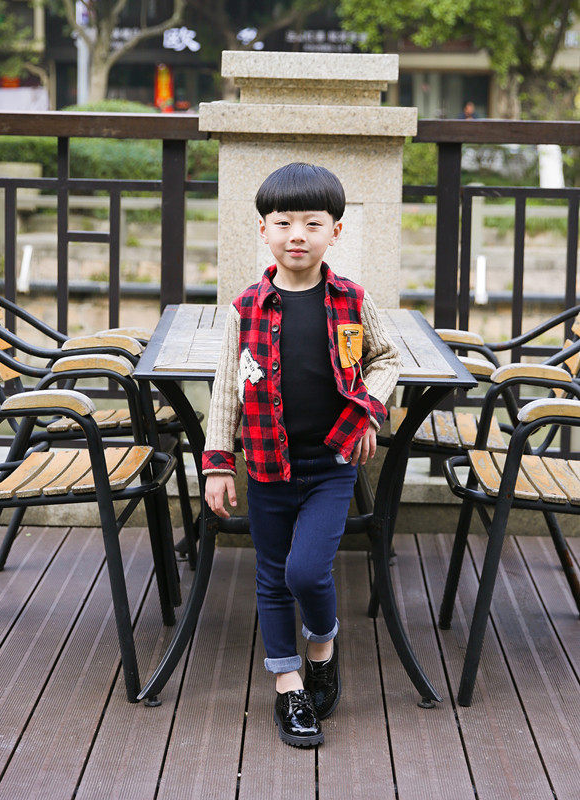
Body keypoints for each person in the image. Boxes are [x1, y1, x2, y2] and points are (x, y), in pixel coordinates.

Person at [202, 162, 401, 748]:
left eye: (312, 223)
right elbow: (226, 390)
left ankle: (322, 647)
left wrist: (367, 410)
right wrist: (218, 463)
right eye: (283, 222)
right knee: (270, 575)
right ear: (262, 229)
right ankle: (288, 687)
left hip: (331, 464)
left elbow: (386, 359)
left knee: (306, 570)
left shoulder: (351, 300)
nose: (297, 235)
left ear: (334, 232)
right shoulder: (246, 308)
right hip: (267, 465)